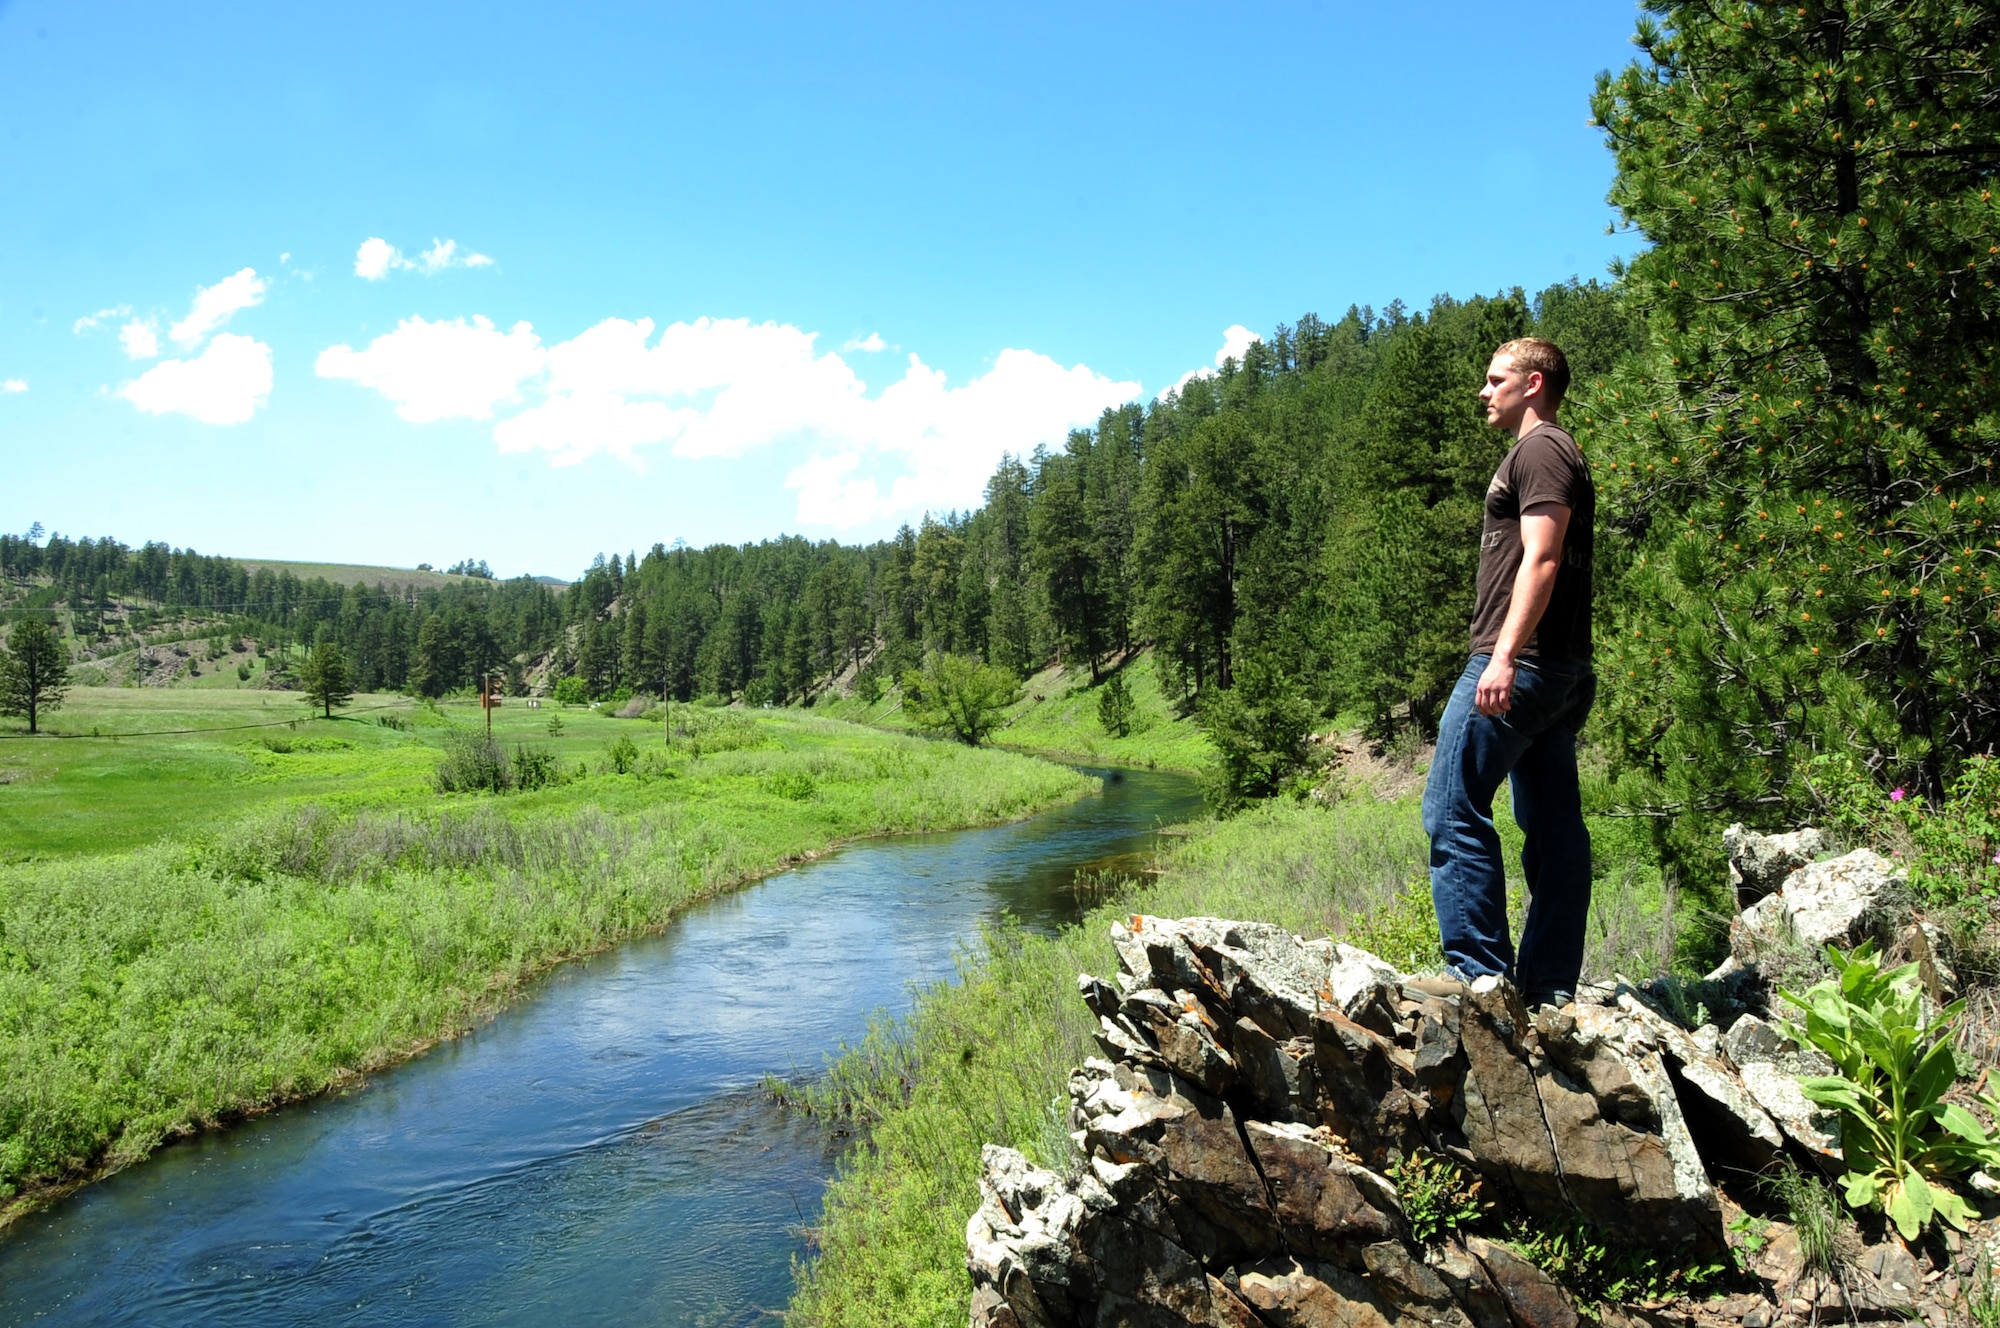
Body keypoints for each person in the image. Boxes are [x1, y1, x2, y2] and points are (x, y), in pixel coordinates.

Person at [1418, 337, 1596, 1008]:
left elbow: (1543, 558)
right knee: (1553, 824)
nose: (1483, 391)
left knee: (1452, 806)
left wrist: (1502, 655)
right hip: (1559, 670)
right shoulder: (1558, 451)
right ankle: (1549, 987)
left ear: (1535, 383)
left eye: (1496, 380)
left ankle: (1480, 975)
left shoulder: (1541, 448)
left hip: (1519, 665)